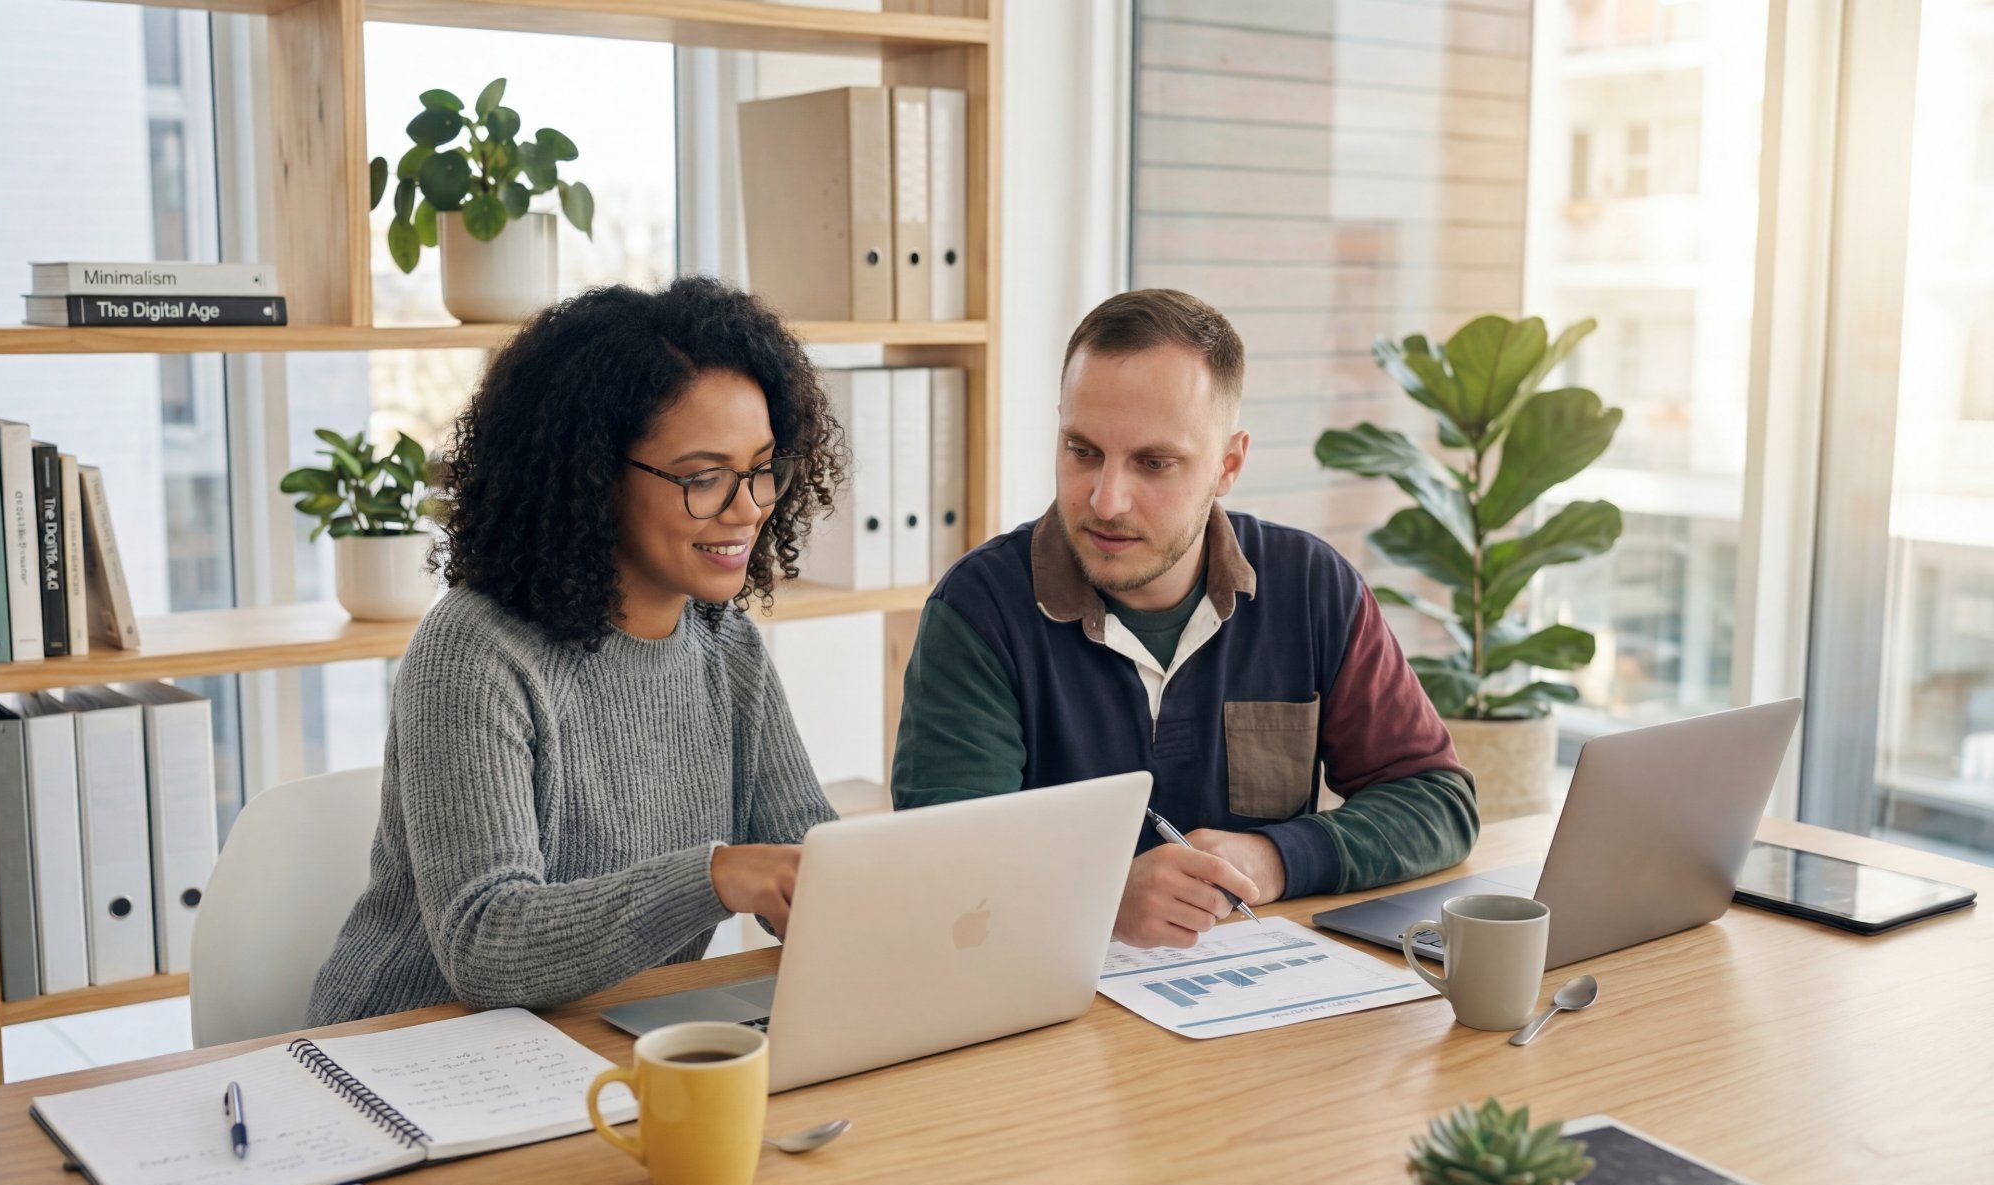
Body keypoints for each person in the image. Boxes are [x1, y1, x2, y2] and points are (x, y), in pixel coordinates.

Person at [309, 278, 845, 1024]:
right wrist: (714, 877)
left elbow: (807, 855)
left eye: (761, 468)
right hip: (410, 1053)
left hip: (603, 1037)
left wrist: (850, 894)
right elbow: (485, 944)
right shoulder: (475, 650)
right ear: (592, 478)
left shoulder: (728, 647)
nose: (749, 505)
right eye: (703, 477)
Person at [891, 289, 1478, 949]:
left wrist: (1271, 857)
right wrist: (1103, 898)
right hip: (1053, 1023)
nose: (1105, 500)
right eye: (1082, 450)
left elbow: (1436, 802)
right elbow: (940, 870)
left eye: (1153, 463)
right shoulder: (980, 612)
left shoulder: (1312, 585)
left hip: (1259, 1009)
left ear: (1228, 464)